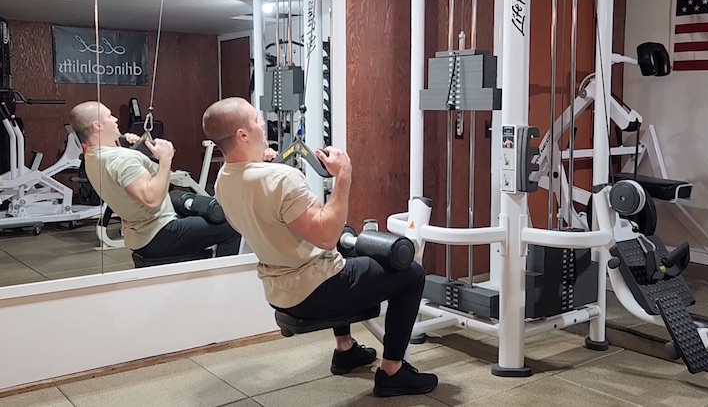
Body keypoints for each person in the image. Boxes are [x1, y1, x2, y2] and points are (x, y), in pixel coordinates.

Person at [201, 97, 438, 398]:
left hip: (279, 292)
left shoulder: (223, 180)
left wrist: (264, 170)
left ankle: (346, 350)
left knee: (346, 247)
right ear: (242, 135)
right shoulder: (281, 178)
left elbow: (246, 225)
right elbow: (325, 236)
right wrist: (344, 175)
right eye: (256, 120)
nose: (263, 124)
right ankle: (393, 370)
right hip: (319, 289)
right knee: (412, 274)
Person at [69, 101, 242, 261]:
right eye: (109, 116)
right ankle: (224, 283)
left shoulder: (92, 156)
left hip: (138, 235)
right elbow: (151, 200)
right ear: (97, 126)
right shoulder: (122, 159)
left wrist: (126, 144)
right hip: (159, 233)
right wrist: (166, 158)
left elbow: (115, 164)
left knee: (185, 201)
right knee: (233, 227)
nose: (114, 119)